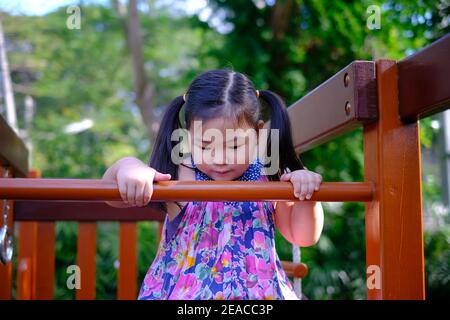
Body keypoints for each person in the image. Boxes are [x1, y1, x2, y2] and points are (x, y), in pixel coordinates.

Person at [102, 69, 324, 300]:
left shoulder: (270, 177)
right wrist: (128, 167)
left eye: (235, 146)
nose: (219, 158)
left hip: (259, 296)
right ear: (188, 137)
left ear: (258, 133)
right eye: (205, 146)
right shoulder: (178, 175)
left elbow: (303, 237)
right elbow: (110, 197)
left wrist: (305, 193)